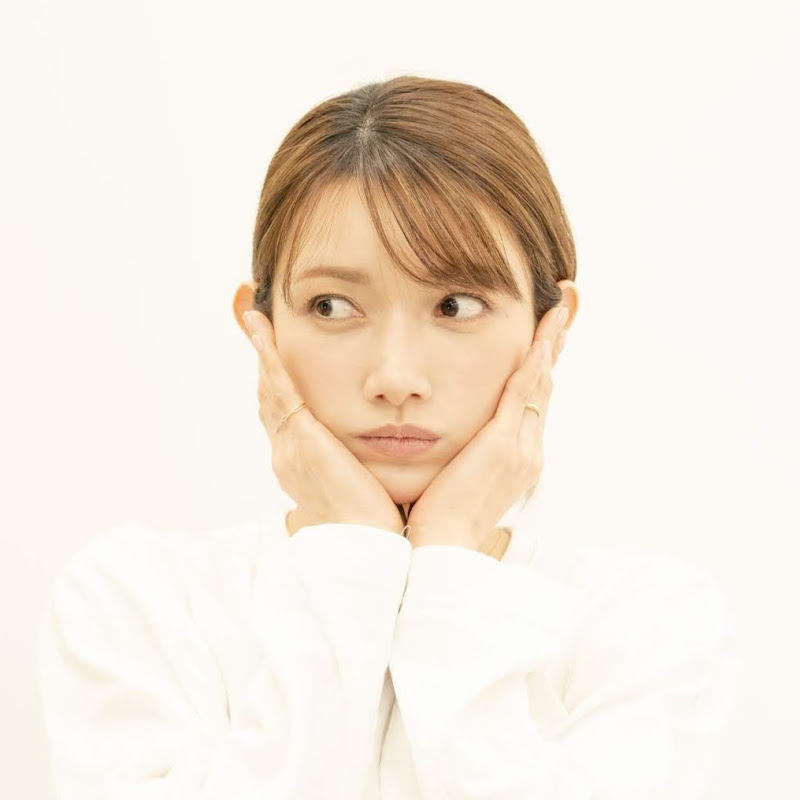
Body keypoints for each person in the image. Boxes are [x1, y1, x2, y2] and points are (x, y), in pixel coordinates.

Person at [38, 75, 739, 798]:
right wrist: (352, 551)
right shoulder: (141, 602)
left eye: (455, 305)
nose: (395, 378)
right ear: (262, 326)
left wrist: (450, 554)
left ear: (548, 330)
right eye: (332, 306)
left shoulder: (649, 625)